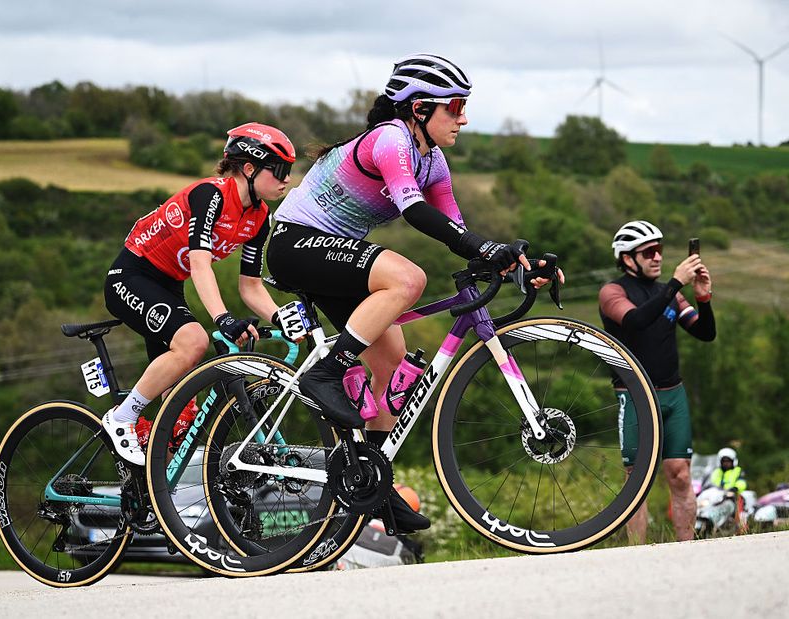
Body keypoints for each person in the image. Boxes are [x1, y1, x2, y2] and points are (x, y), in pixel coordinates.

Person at [266, 53, 561, 533]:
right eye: (455, 107)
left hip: (331, 252)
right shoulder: (390, 140)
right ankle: (324, 375)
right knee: (408, 279)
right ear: (420, 108)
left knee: (388, 357)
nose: (463, 118)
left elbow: (457, 233)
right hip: (294, 244)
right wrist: (486, 248)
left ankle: (372, 485)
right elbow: (417, 212)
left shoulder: (433, 160)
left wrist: (516, 265)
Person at [102, 122, 297, 466]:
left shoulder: (259, 217)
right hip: (131, 277)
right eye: (280, 170)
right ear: (249, 168)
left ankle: (146, 494)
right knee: (194, 341)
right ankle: (121, 419)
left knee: (181, 414)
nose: (287, 180)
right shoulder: (212, 195)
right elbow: (201, 265)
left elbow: (250, 287)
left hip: (168, 286)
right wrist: (222, 319)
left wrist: (283, 319)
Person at [599, 220, 716, 543]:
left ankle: (687, 549)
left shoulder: (670, 295)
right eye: (649, 252)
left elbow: (705, 333)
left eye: (660, 250)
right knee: (637, 478)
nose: (657, 258)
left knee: (680, 474)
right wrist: (676, 284)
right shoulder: (613, 291)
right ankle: (639, 553)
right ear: (627, 259)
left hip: (672, 394)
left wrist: (703, 300)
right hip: (635, 395)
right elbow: (636, 320)